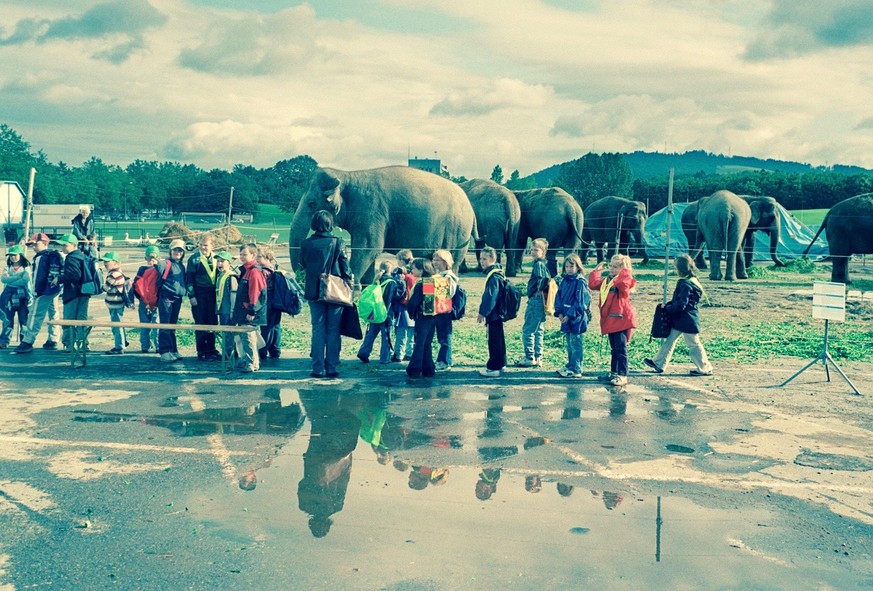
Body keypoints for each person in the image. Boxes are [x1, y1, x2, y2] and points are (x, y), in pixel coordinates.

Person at [299, 210, 352, 378]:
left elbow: (303, 264)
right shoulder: (338, 242)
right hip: (335, 291)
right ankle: (331, 367)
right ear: (330, 224)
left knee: (317, 329)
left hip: (314, 291)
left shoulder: (306, 243)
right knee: (333, 329)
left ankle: (318, 368)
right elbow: (345, 267)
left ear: (314, 223)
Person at [644, 254, 713, 376]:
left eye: (676, 268)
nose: (675, 270)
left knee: (693, 343)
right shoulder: (694, 281)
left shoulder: (685, 284)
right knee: (670, 340)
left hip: (686, 319)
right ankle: (658, 363)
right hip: (685, 319)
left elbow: (681, 305)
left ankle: (705, 368)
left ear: (680, 269)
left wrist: (668, 308)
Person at [588, 254, 637, 387]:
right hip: (611, 320)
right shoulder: (608, 280)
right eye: (611, 266)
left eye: (616, 267)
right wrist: (596, 272)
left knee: (621, 349)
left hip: (621, 319)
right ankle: (614, 372)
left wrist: (625, 271)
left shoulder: (624, 281)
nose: (612, 269)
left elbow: (623, 285)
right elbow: (592, 285)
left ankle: (622, 374)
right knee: (614, 348)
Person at [14, 233, 61, 353]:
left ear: (45, 243)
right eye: (32, 245)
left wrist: (36, 291)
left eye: (35, 244)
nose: (33, 247)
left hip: (43, 291)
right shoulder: (54, 254)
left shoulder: (41, 257)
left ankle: (28, 341)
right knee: (54, 313)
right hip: (54, 289)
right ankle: (53, 338)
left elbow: (38, 277)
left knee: (35, 315)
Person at [357, 260, 403, 365]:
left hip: (375, 312)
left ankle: (364, 352)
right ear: (390, 269)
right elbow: (395, 297)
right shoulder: (391, 282)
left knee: (371, 333)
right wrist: (401, 283)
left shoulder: (377, 280)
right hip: (386, 313)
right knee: (386, 336)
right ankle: (385, 358)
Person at [554, 254, 591, 378]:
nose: (569, 269)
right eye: (567, 266)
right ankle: (570, 365)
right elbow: (558, 297)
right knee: (569, 343)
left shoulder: (580, 282)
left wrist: (569, 315)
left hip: (576, 319)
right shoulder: (564, 281)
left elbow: (580, 302)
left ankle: (576, 368)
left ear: (578, 267)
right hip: (565, 317)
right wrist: (559, 312)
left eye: (572, 266)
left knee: (576, 343)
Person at [515, 238, 551, 367]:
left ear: (543, 252)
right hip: (541, 300)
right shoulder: (543, 264)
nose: (533, 252)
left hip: (536, 299)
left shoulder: (538, 264)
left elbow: (544, 278)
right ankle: (538, 356)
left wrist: (538, 290)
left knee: (528, 329)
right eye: (531, 249)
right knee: (539, 329)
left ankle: (529, 356)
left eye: (536, 250)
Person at [232, 244, 267, 373]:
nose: (242, 257)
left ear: (253, 255)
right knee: (244, 337)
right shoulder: (245, 270)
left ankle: (252, 363)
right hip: (243, 309)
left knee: (249, 338)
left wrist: (251, 310)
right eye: (241, 254)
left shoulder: (254, 271)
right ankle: (247, 360)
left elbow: (255, 292)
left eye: (245, 254)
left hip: (250, 311)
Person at [186, 234, 221, 362]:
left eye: (206, 245)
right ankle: (202, 350)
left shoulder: (217, 259)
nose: (203, 247)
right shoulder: (194, 259)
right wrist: (191, 296)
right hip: (199, 294)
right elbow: (188, 279)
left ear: (213, 246)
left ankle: (212, 349)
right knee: (201, 322)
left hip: (212, 295)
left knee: (212, 322)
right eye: (201, 245)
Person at [55, 233, 90, 354]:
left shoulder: (71, 257)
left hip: (73, 292)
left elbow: (74, 275)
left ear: (73, 245)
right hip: (84, 291)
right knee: (82, 318)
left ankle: (69, 344)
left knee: (69, 319)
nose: (62, 248)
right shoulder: (82, 255)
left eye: (65, 245)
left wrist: (59, 278)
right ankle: (83, 343)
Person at [156, 239, 188, 363]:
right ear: (170, 251)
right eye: (175, 249)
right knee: (165, 325)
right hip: (166, 298)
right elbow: (158, 267)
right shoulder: (165, 263)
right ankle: (165, 351)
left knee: (172, 325)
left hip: (177, 299)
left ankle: (173, 349)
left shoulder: (181, 265)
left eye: (180, 250)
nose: (178, 252)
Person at [405, 258, 438, 378]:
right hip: (432, 317)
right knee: (426, 343)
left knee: (419, 343)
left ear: (421, 270)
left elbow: (414, 302)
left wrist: (411, 312)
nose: (411, 270)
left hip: (422, 318)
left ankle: (414, 369)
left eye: (413, 268)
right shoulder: (431, 281)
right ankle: (428, 369)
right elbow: (428, 302)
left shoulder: (421, 284)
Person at [477, 246, 507, 377]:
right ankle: (501, 363)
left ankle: (494, 367)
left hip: (494, 314)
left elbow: (490, 296)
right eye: (480, 258)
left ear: (493, 259)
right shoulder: (499, 272)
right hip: (498, 313)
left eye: (485, 259)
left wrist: (483, 312)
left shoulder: (493, 276)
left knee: (494, 340)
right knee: (499, 338)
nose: (481, 261)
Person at [0, 245, 32, 349]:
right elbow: (3, 280)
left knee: (24, 319)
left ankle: (24, 341)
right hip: (8, 296)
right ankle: (4, 341)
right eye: (10, 255)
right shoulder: (7, 267)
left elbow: (25, 280)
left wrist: (12, 279)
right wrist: (18, 277)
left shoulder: (26, 268)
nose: (12, 257)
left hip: (23, 296)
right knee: (7, 318)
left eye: (15, 255)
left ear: (21, 255)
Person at [431, 249, 458, 371]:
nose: (434, 262)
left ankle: (445, 361)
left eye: (437, 260)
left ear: (445, 261)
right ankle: (443, 360)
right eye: (434, 259)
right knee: (441, 336)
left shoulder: (448, 277)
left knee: (445, 336)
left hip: (444, 311)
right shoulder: (439, 276)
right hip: (438, 310)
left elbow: (449, 294)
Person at [100, 251, 130, 354]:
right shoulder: (119, 273)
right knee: (118, 323)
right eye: (104, 262)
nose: (105, 264)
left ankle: (119, 346)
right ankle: (122, 342)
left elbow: (106, 288)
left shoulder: (114, 275)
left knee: (116, 325)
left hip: (115, 303)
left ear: (116, 263)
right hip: (117, 303)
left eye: (107, 262)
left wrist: (100, 284)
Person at [132, 245, 160, 353]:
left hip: (143, 301)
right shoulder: (160, 269)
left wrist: (139, 298)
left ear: (145, 258)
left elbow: (136, 285)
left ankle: (145, 346)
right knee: (156, 324)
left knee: (144, 324)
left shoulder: (141, 270)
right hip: (156, 301)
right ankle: (158, 346)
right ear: (159, 258)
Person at [257, 247, 282, 360]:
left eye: (259, 256)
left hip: (268, 301)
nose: (256, 258)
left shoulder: (263, 271)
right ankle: (275, 350)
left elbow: (261, 288)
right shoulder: (274, 268)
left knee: (266, 327)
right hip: (276, 301)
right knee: (275, 326)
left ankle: (263, 350)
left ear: (267, 258)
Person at [391, 249, 415, 362]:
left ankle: (398, 354)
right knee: (412, 332)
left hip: (403, 305)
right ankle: (410, 353)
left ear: (401, 260)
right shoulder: (416, 271)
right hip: (414, 305)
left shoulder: (400, 272)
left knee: (401, 331)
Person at [214, 250, 238, 362]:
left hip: (228, 311)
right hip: (221, 309)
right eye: (218, 261)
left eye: (222, 261)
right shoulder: (219, 276)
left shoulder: (231, 277)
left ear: (229, 263)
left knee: (228, 333)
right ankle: (228, 353)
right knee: (225, 333)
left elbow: (234, 295)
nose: (219, 263)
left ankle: (229, 355)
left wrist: (233, 311)